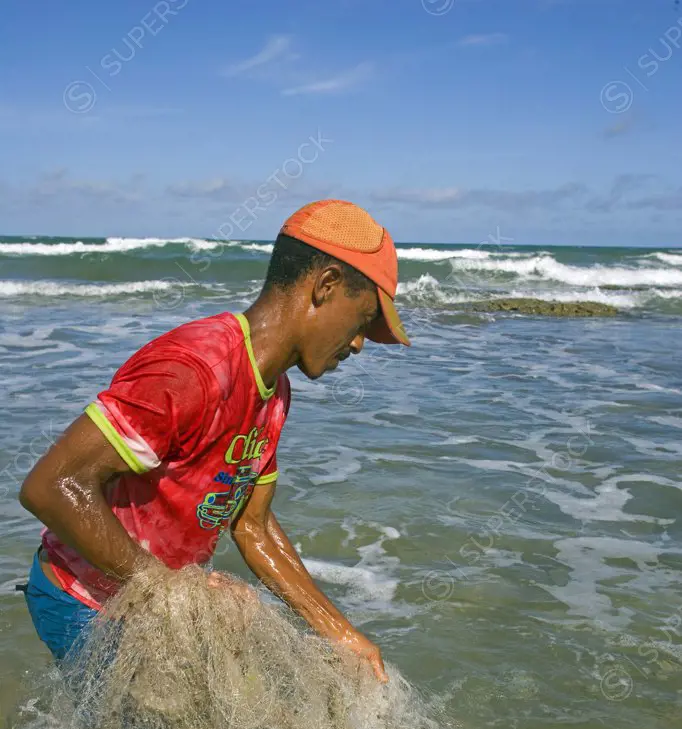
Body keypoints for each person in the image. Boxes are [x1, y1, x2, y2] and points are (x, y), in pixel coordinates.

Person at [19, 200, 411, 681]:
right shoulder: (195, 369)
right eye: (362, 320)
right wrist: (176, 595)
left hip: (152, 599)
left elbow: (254, 527)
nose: (357, 345)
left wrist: (340, 632)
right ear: (326, 286)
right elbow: (52, 485)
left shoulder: (274, 392)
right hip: (83, 599)